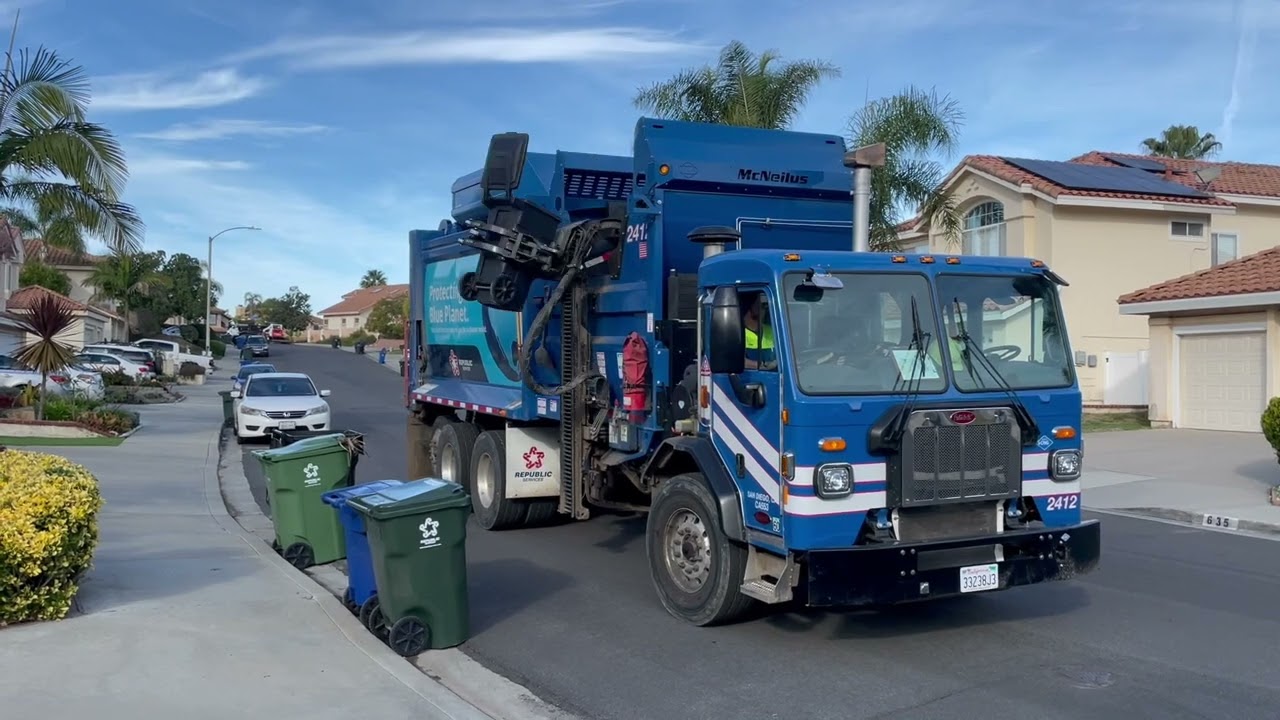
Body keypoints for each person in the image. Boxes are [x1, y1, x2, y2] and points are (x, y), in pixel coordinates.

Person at [743, 292, 776, 370]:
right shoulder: (735, 333)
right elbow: (733, 360)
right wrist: (762, 365)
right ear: (748, 310)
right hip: (750, 380)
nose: (764, 310)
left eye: (764, 307)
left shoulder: (773, 330)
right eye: (761, 306)